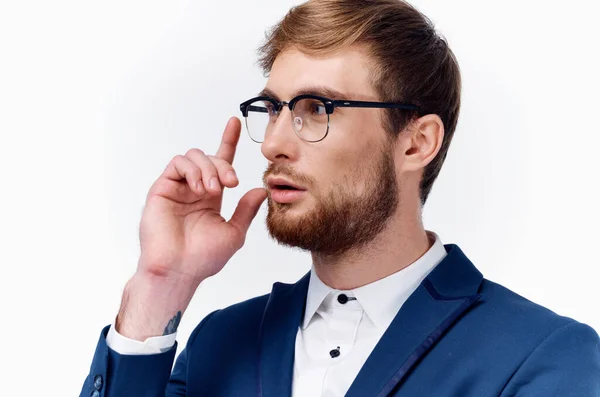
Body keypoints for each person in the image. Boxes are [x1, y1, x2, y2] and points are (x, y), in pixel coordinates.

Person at [80, 0, 600, 396]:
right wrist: (159, 285)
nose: (277, 142)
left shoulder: (542, 356)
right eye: (274, 109)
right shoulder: (221, 341)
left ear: (417, 142)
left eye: (316, 108)